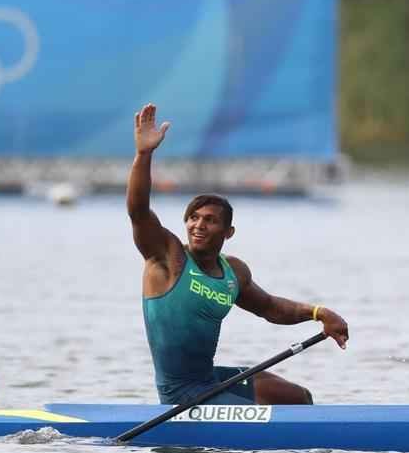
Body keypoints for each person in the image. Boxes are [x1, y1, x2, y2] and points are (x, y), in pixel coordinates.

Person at [126, 103, 349, 405]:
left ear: (228, 232)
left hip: (208, 380)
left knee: (298, 398)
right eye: (194, 218)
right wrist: (144, 155)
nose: (199, 225)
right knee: (269, 416)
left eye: (210, 220)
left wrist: (318, 312)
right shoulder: (167, 257)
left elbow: (270, 307)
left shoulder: (233, 272)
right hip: (180, 394)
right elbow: (139, 211)